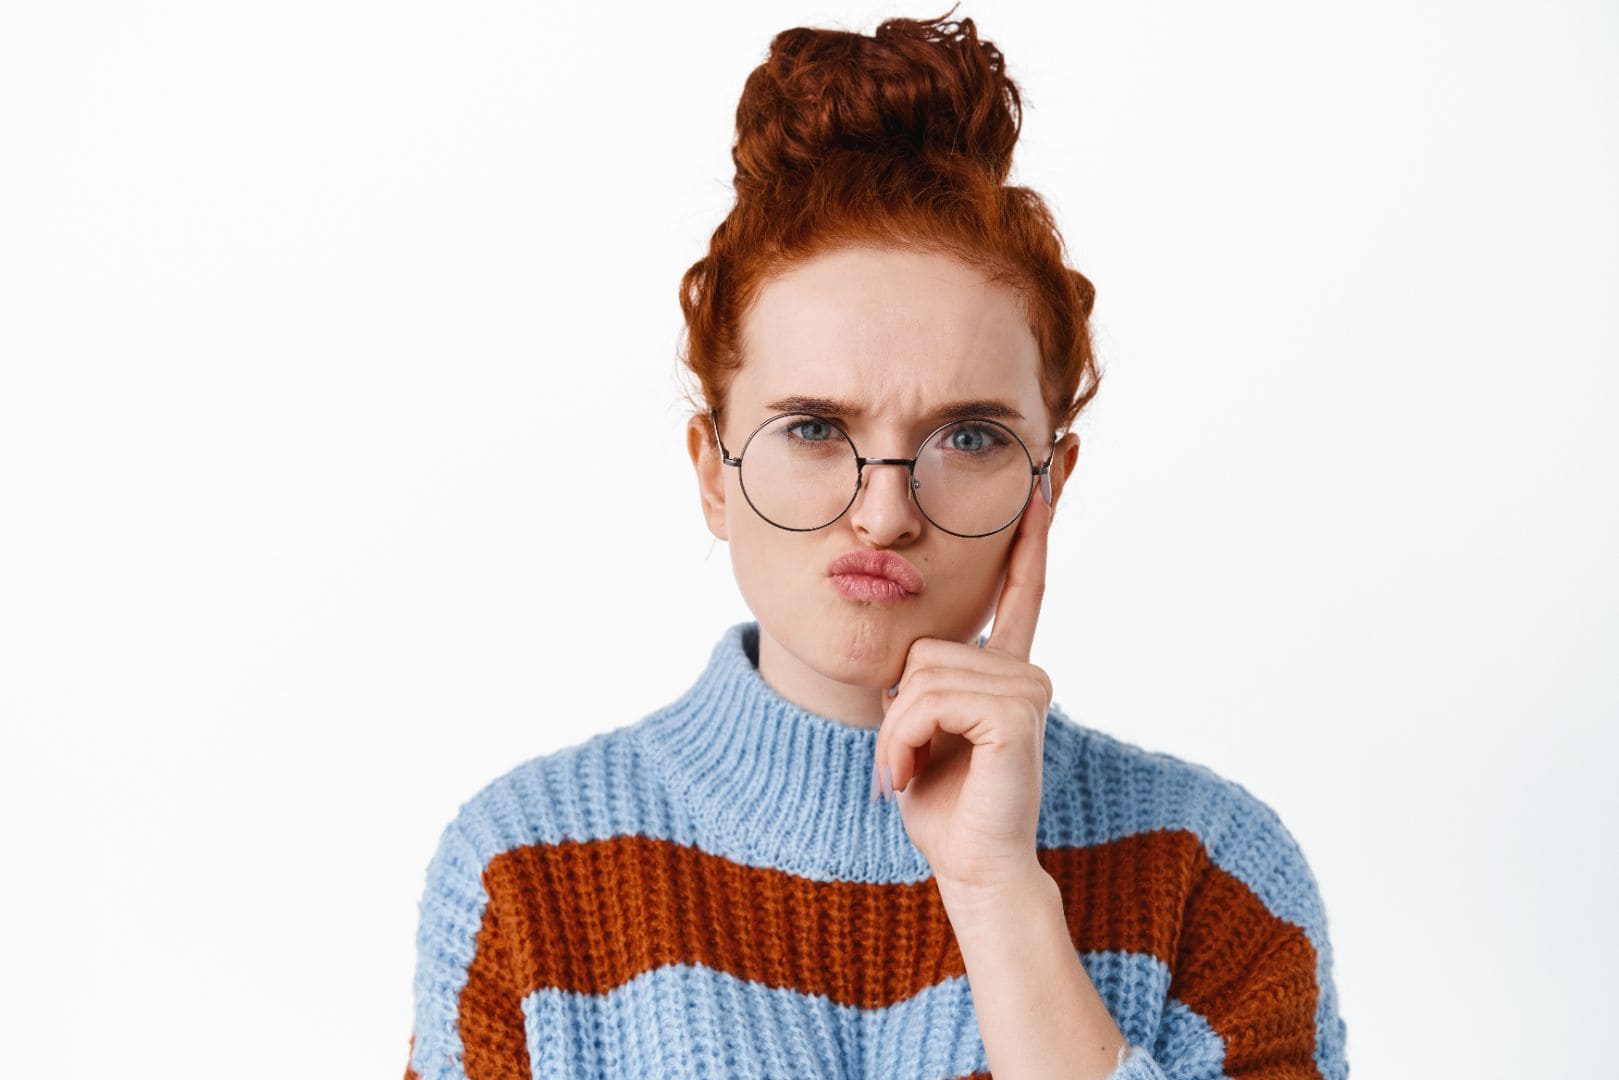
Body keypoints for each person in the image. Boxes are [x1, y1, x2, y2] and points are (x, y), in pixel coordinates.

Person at [403, 8, 1349, 1079]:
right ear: (713, 471)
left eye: (970, 436)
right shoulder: (526, 873)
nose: (885, 511)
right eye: (814, 429)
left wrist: (997, 894)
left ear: (1051, 483)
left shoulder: (1208, 876)